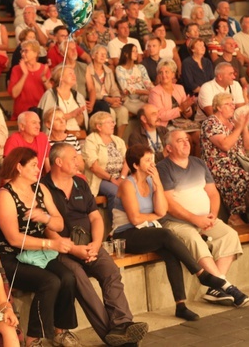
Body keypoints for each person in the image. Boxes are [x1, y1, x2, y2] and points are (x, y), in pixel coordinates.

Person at [41, 143, 150, 346]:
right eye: (73, 158)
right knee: (80, 281)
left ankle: (122, 324)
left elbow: (96, 218)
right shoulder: (43, 188)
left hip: (90, 244)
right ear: (58, 162)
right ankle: (114, 335)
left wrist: (96, 244)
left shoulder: (80, 183)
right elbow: (48, 228)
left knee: (111, 272)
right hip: (62, 250)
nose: (78, 162)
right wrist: (75, 249)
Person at [112, 143, 231, 320]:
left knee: (171, 253)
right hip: (125, 234)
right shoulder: (127, 185)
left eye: (152, 159)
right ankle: (202, 274)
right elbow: (135, 219)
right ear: (135, 165)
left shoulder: (151, 181)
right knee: (167, 235)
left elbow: (161, 211)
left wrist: (158, 183)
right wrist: (152, 216)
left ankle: (181, 305)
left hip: (147, 230)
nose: (152, 164)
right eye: (147, 161)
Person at [0, 147, 80, 347]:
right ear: (19, 167)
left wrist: (45, 217)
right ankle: (34, 338)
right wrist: (51, 243)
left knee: (68, 277)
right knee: (50, 282)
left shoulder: (40, 189)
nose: (38, 169)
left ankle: (60, 331)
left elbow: (59, 224)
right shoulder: (5, 195)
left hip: (38, 254)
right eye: (33, 165)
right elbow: (14, 239)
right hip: (11, 257)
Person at [157, 130, 249, 307]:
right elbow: (168, 203)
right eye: (180, 141)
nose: (186, 143)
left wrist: (212, 215)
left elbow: (213, 193)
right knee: (193, 239)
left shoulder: (198, 163)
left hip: (204, 219)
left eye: (187, 140)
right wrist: (194, 219)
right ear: (169, 148)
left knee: (229, 234)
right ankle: (227, 287)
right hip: (176, 222)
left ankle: (215, 288)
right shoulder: (163, 168)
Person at [199, 93, 249, 225]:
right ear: (218, 107)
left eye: (232, 103)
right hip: (218, 166)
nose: (232, 106)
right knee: (242, 177)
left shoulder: (232, 123)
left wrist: (244, 126)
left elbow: (247, 146)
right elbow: (225, 145)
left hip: (238, 163)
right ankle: (235, 216)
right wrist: (239, 127)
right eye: (228, 104)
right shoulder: (211, 122)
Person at [8, 40, 51, 120]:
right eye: (22, 51)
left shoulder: (44, 68)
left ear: (35, 53)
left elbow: (51, 92)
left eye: (26, 51)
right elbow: (14, 94)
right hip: (22, 114)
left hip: (40, 112)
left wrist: (44, 79)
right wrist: (25, 74)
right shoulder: (16, 69)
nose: (22, 54)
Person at [38, 65, 88, 133]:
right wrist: (71, 115)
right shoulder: (50, 95)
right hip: (57, 137)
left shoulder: (79, 96)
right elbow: (48, 120)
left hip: (78, 135)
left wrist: (80, 118)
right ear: (61, 77)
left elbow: (83, 125)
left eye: (74, 74)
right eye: (70, 73)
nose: (74, 76)